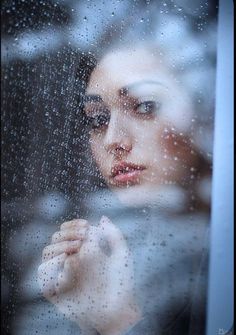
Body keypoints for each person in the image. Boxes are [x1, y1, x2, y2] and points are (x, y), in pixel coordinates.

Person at [38, 43, 211, 335]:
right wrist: (89, 314)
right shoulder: (142, 254)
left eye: (145, 106)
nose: (112, 140)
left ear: (203, 114)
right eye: (98, 119)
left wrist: (114, 321)